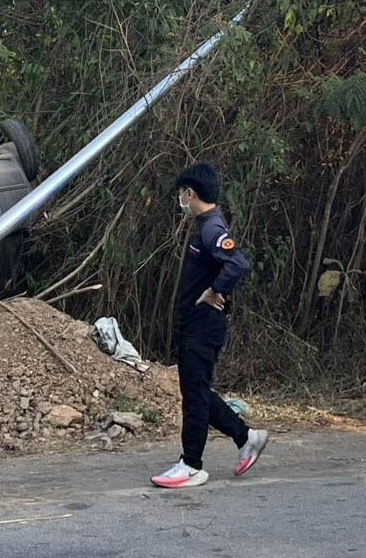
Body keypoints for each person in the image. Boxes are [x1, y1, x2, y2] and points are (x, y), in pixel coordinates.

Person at [151, 163, 268, 489]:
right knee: (196, 390)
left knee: (194, 396)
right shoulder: (206, 224)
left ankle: (191, 465)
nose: (181, 200)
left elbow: (238, 263)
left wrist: (216, 290)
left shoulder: (212, 227)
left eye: (182, 194)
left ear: (191, 193)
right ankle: (246, 438)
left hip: (203, 326)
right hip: (195, 323)